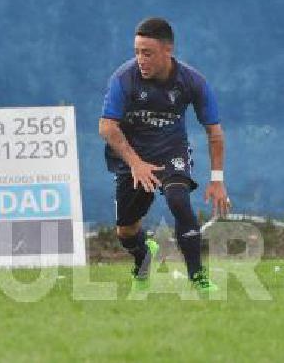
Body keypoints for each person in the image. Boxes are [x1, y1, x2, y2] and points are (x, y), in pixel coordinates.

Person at [98, 16, 231, 293]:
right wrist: (135, 164)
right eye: (136, 52)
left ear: (167, 50)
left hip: (171, 151)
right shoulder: (123, 79)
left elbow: (215, 132)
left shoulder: (192, 81)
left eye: (147, 53)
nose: (140, 60)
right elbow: (107, 127)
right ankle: (144, 254)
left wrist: (217, 179)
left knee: (178, 200)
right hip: (132, 157)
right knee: (126, 231)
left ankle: (198, 278)